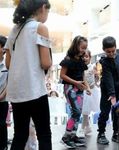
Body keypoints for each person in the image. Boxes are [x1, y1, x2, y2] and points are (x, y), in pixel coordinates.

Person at [4, 0, 52, 149]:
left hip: (17, 92)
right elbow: (45, 63)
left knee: (20, 134)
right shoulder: (40, 28)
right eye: (48, 11)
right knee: (44, 134)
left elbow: (8, 64)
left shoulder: (14, 29)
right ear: (43, 7)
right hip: (35, 90)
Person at [97, 36, 119, 145]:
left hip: (118, 90)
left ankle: (116, 132)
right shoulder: (104, 62)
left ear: (116, 47)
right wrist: (111, 95)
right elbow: (108, 78)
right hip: (107, 91)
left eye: (113, 51)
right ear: (103, 49)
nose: (111, 53)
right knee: (104, 112)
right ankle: (101, 133)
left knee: (117, 113)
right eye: (108, 52)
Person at [59, 35, 90, 148]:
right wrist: (76, 83)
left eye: (85, 48)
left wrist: (87, 87)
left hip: (79, 88)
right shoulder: (68, 59)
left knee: (78, 113)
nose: (84, 50)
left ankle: (73, 135)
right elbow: (62, 75)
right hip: (70, 88)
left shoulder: (81, 60)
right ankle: (66, 137)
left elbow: (83, 75)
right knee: (75, 112)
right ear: (76, 46)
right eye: (82, 47)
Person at [81, 50, 101, 136]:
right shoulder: (80, 67)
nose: (84, 58)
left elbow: (96, 80)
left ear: (90, 57)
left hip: (92, 91)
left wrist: (96, 76)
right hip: (84, 90)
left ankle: (82, 129)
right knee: (85, 111)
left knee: (86, 110)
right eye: (83, 57)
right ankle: (88, 127)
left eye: (86, 56)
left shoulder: (93, 67)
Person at [0, 35, 8, 150]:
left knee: (1, 124)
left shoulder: (8, 64)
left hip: (2, 100)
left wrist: (1, 95)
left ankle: (3, 146)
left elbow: (9, 83)